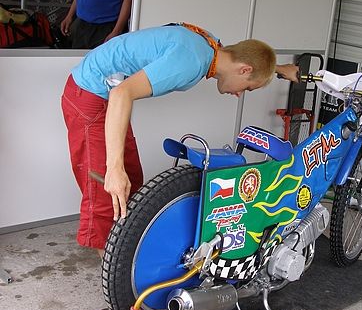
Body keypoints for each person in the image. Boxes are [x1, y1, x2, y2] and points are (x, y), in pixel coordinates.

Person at [61, 22, 299, 256]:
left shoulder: (212, 46)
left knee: (131, 178)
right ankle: (115, 276)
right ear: (244, 70)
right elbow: (121, 93)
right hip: (90, 96)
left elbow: (247, 58)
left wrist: (278, 67)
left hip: (106, 98)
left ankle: (126, 252)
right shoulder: (192, 62)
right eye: (247, 88)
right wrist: (113, 168)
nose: (239, 94)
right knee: (108, 189)